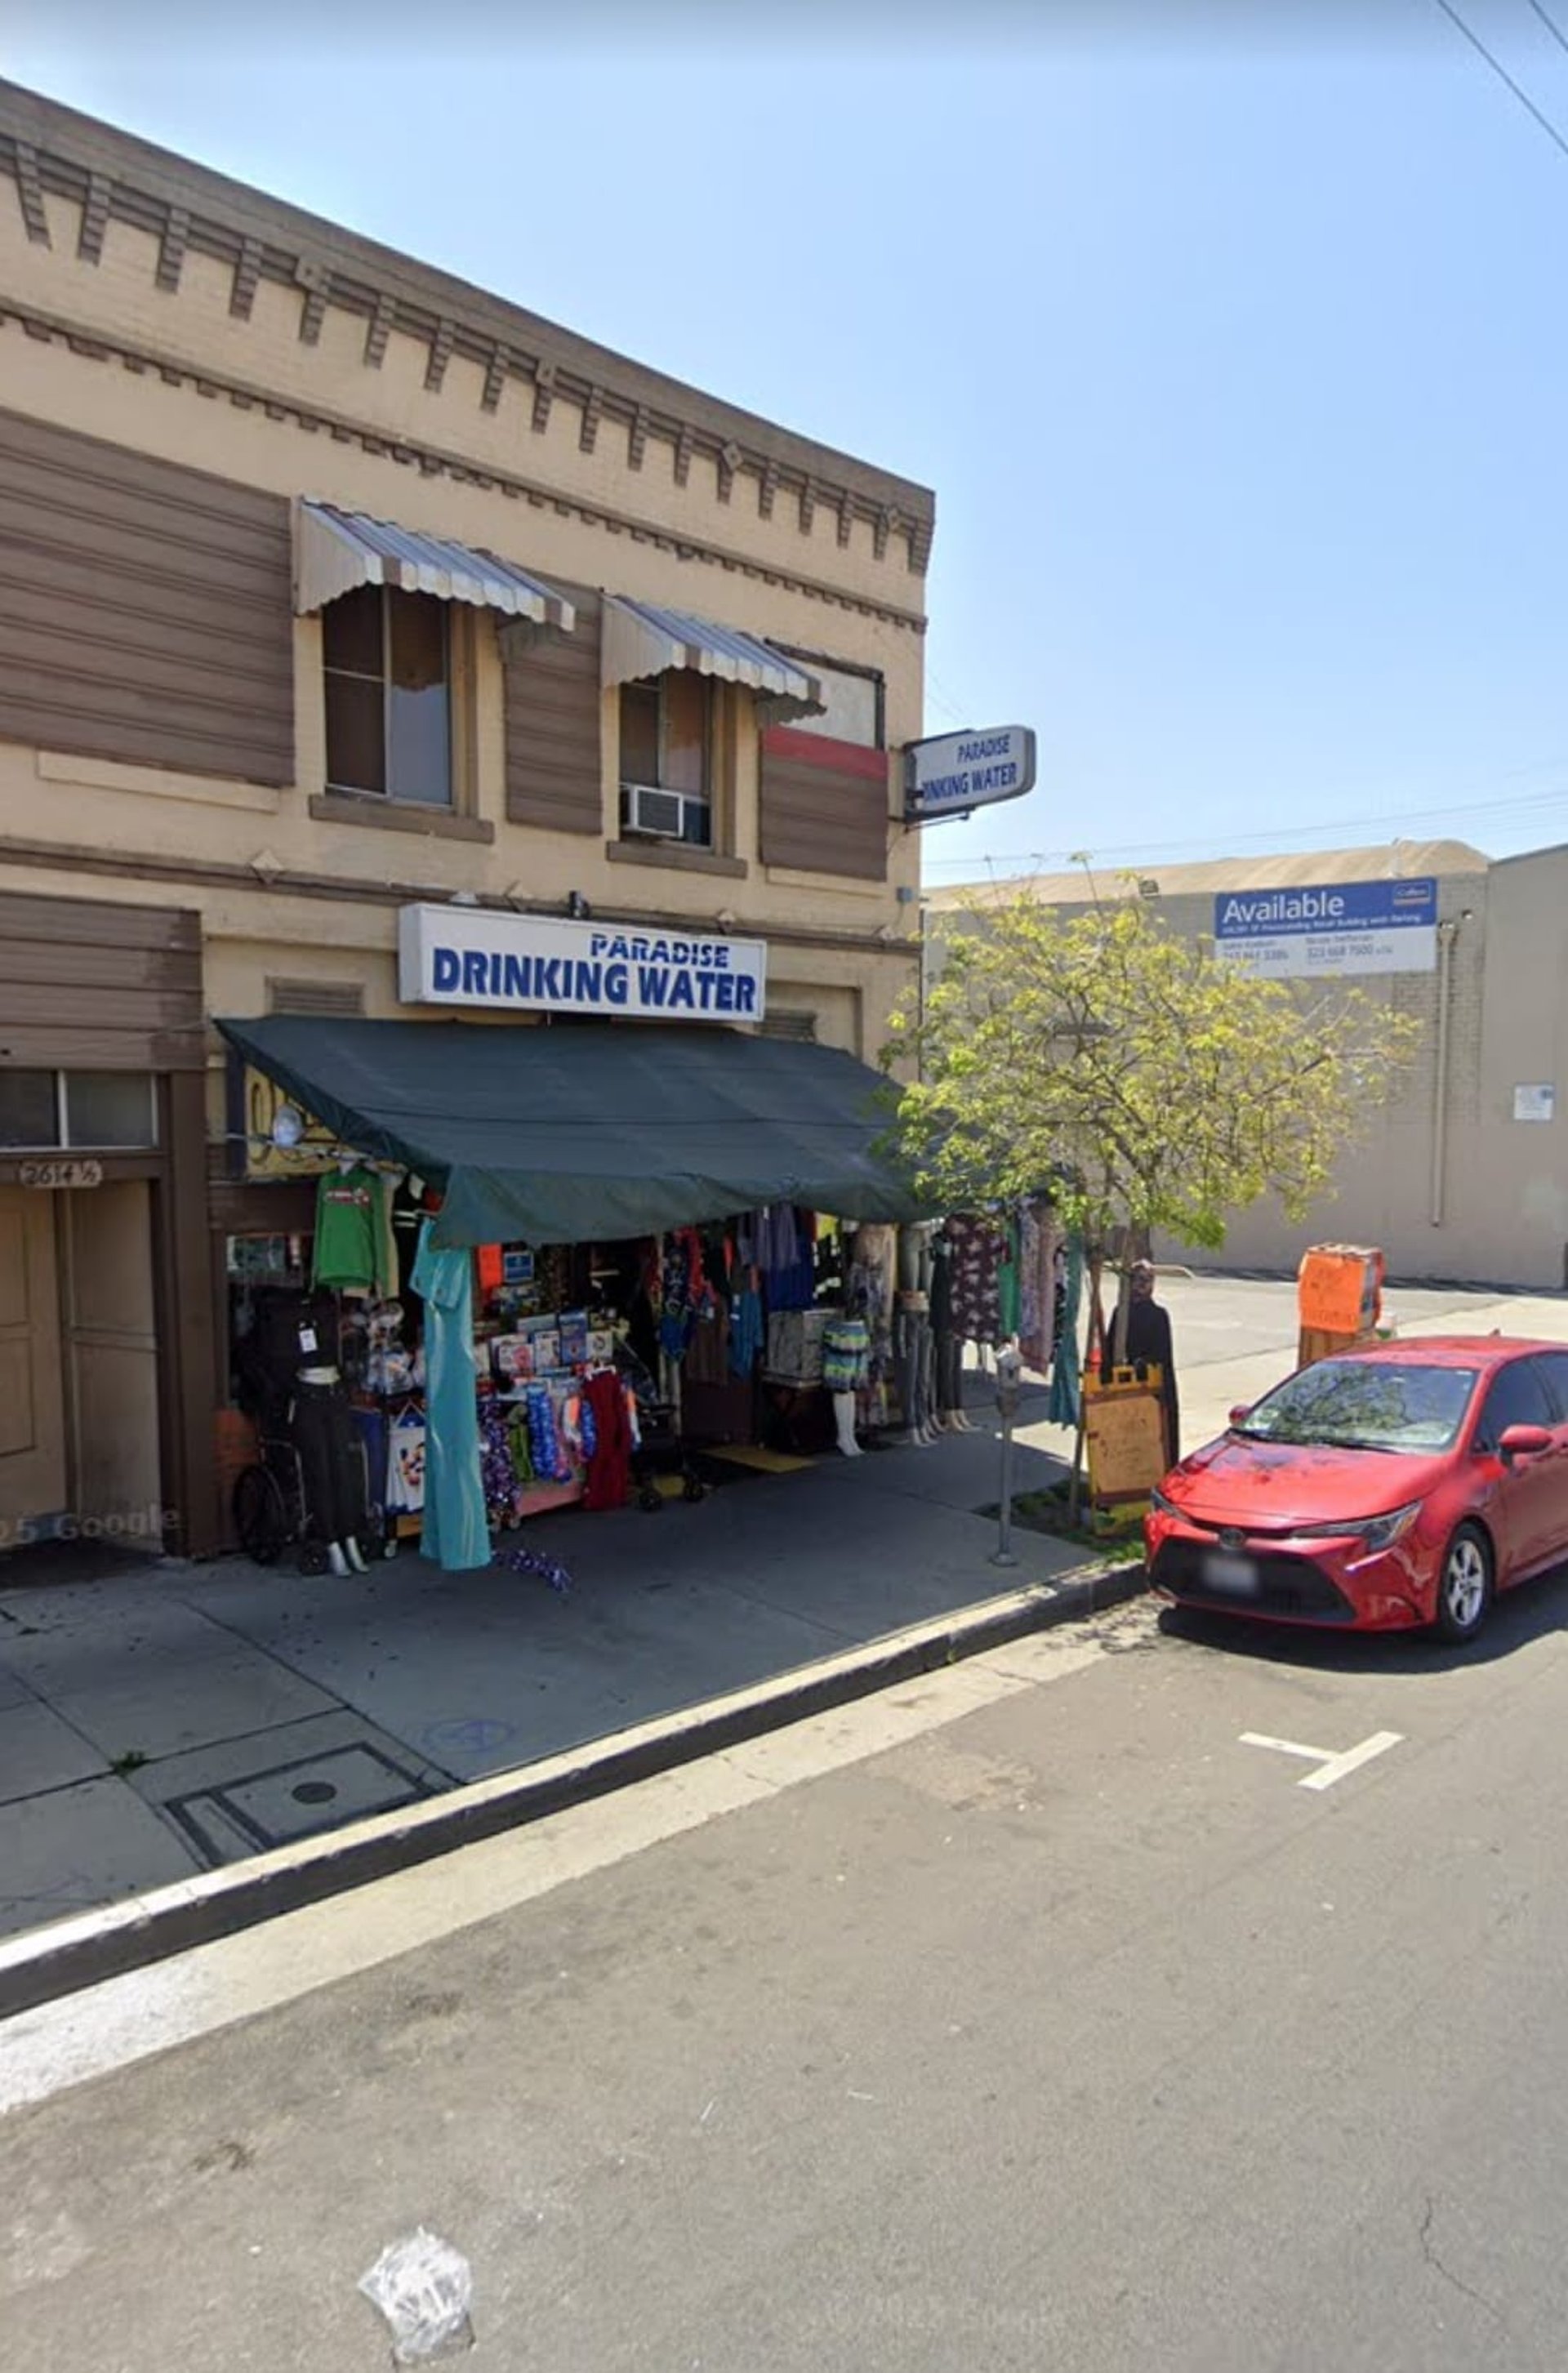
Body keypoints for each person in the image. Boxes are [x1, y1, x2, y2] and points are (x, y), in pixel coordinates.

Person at [1125, 1260, 1179, 1465]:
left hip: (1153, 1389)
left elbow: (1162, 1355)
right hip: (1125, 1388)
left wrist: (1141, 1364)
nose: (1143, 1284)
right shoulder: (1121, 1313)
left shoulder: (1159, 1315)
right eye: (1139, 1279)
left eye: (1148, 1279)